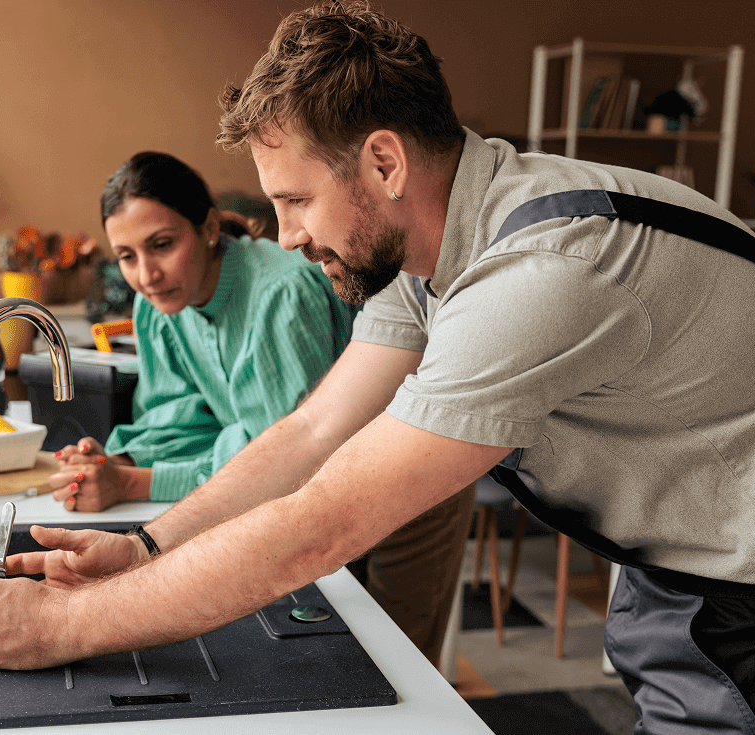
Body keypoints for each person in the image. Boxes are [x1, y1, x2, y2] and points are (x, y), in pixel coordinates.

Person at [0, 4, 755, 734]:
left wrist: (62, 628)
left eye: (294, 201)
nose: (280, 235)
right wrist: (150, 546)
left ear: (384, 161)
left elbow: (317, 526)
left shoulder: (540, 274)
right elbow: (315, 431)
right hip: (684, 556)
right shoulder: (429, 251)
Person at [48, 150, 474, 666]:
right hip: (313, 484)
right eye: (127, 256)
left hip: (410, 473)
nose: (147, 274)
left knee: (398, 669)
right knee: (336, 666)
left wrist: (137, 485)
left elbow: (290, 459)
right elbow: (179, 421)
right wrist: (118, 462)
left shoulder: (279, 292)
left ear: (207, 229)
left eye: (162, 245)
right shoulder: (158, 306)